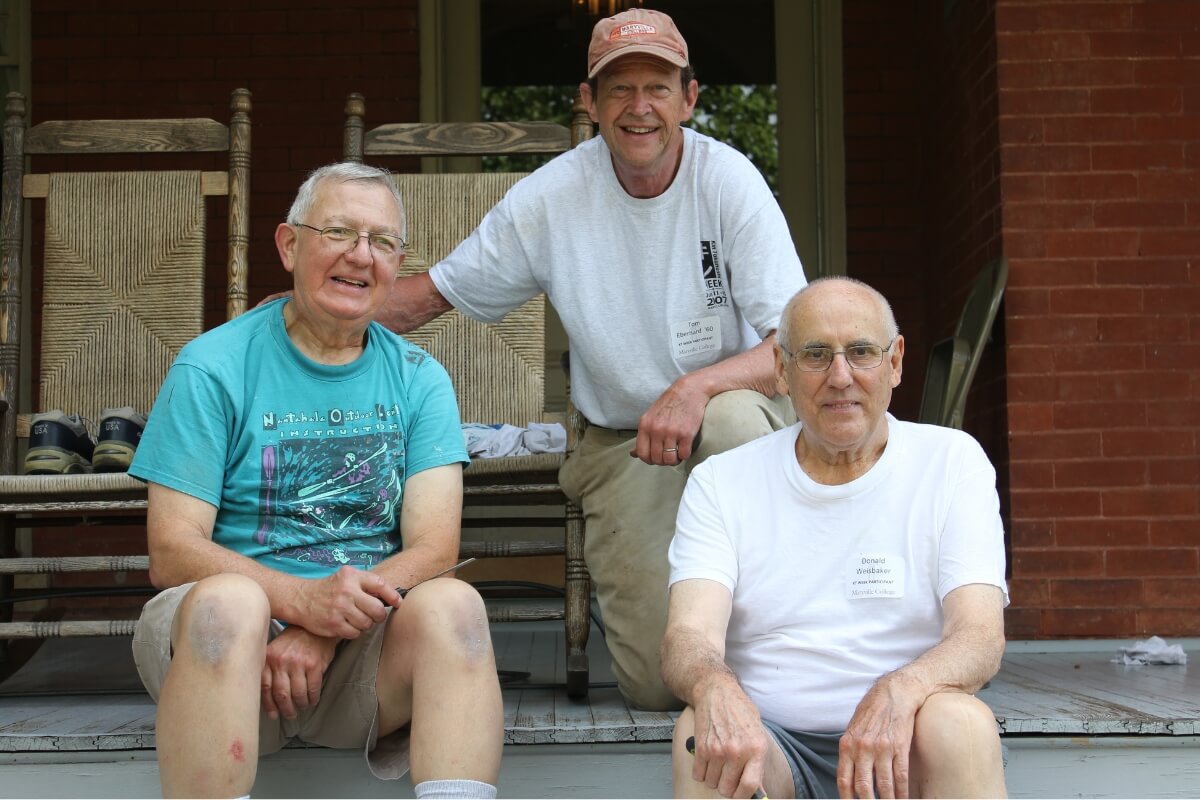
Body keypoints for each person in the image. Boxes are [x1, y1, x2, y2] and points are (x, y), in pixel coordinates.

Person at [368, 7, 807, 711]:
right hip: (624, 445)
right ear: (589, 101)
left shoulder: (729, 180)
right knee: (657, 686)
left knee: (729, 422)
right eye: (619, 89)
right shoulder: (551, 196)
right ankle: (713, 668)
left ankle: (783, 655)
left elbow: (795, 345)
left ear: (689, 98)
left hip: (732, 423)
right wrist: (308, 308)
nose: (640, 107)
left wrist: (695, 389)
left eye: (658, 88)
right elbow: (430, 297)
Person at [129, 163, 503, 799]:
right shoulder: (212, 367)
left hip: (358, 657)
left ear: (398, 263)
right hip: (223, 656)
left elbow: (434, 548)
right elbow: (171, 549)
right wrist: (299, 602)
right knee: (228, 604)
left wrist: (323, 628)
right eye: (338, 231)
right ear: (288, 245)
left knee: (456, 606)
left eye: (382, 241)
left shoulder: (419, 378)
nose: (360, 255)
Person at [661, 277, 1009, 799]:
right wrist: (714, 685)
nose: (840, 377)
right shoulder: (722, 481)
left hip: (908, 740)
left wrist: (902, 688)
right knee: (700, 731)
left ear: (895, 362)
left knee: (960, 722)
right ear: (782, 370)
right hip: (772, 745)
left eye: (862, 352)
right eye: (816, 355)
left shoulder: (952, 462)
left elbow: (980, 637)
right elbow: (688, 636)